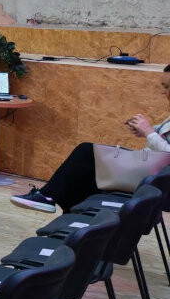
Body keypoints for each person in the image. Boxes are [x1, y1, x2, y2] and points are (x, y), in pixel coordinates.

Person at [11, 65, 170, 213]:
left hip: (158, 181)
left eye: (167, 87)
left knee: (87, 152)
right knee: (88, 173)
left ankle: (49, 198)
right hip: (150, 171)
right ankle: (71, 217)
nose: (164, 92)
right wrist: (145, 130)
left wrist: (149, 132)